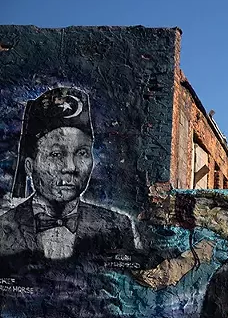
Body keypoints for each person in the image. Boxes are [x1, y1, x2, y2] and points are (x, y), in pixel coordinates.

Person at [0, 87, 135, 262]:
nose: (70, 167)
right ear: (29, 165)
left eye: (82, 153)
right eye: (56, 155)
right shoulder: (4, 228)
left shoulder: (117, 227)